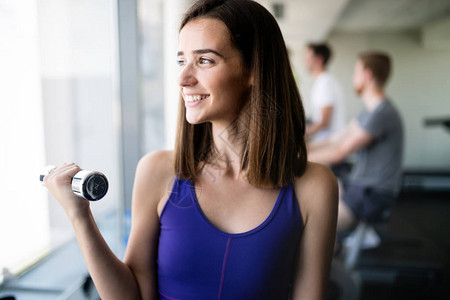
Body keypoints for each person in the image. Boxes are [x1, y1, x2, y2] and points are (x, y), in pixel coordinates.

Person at [43, 0, 338, 299]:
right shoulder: (157, 171)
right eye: (182, 60)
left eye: (205, 60)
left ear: (254, 71)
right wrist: (79, 215)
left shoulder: (314, 186)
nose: (183, 78)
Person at [308, 52, 404, 233]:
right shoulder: (369, 111)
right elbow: (337, 138)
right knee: (316, 190)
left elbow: (340, 152)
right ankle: (335, 247)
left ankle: (335, 250)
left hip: (373, 193)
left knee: (313, 227)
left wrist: (297, 158)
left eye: (356, 73)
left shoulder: (381, 113)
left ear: (367, 76)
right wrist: (304, 148)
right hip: (359, 185)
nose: (353, 77)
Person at [304, 43, 346, 142]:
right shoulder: (321, 82)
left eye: (308, 57)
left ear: (319, 59)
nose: (305, 61)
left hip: (332, 145)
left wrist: (302, 136)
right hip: (327, 143)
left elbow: (324, 121)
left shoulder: (325, 83)